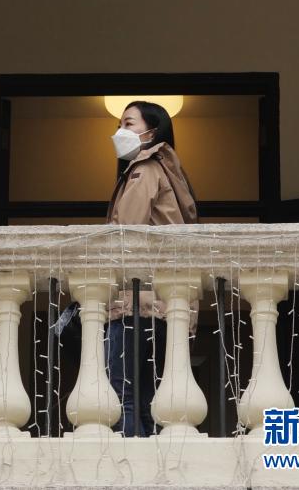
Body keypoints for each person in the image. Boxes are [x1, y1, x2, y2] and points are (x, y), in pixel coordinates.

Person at [105, 101, 197, 436]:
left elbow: (125, 232)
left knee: (122, 393)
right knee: (147, 398)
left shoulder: (144, 171)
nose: (121, 131)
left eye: (129, 123)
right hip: (160, 301)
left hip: (137, 299)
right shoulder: (167, 170)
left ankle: (131, 460)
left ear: (152, 131)